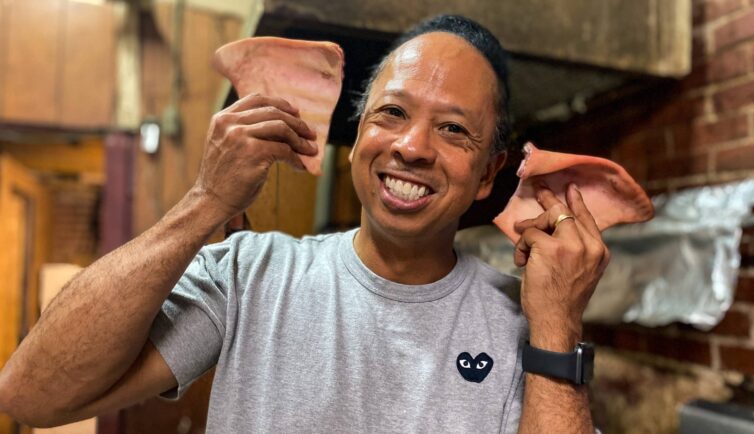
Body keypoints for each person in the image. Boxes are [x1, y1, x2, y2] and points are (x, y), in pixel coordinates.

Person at [0, 15, 608, 433]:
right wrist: (206, 199)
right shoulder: (248, 277)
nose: (413, 147)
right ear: (356, 138)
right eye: (391, 113)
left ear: (487, 173)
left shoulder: (522, 318)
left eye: (453, 129)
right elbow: (32, 395)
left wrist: (556, 326)